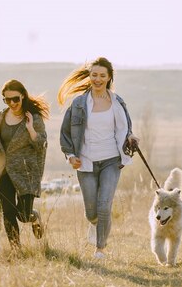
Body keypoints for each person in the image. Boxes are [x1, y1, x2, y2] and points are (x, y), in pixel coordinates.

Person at [58, 57, 139, 259]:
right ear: (89, 76)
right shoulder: (78, 104)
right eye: (94, 75)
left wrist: (130, 136)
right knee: (91, 212)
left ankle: (100, 248)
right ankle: (94, 225)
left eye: (102, 75)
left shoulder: (117, 102)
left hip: (111, 160)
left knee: (104, 206)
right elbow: (65, 133)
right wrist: (70, 156)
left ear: (109, 77)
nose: (98, 79)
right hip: (85, 162)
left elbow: (125, 127)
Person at [0, 79, 50, 250]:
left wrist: (30, 129)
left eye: (15, 99)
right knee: (8, 212)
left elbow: (42, 143)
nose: (12, 103)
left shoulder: (33, 117)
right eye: (7, 100)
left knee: (23, 214)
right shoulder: (0, 117)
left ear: (23, 96)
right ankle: (16, 249)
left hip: (25, 172)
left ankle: (34, 217)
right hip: (4, 171)